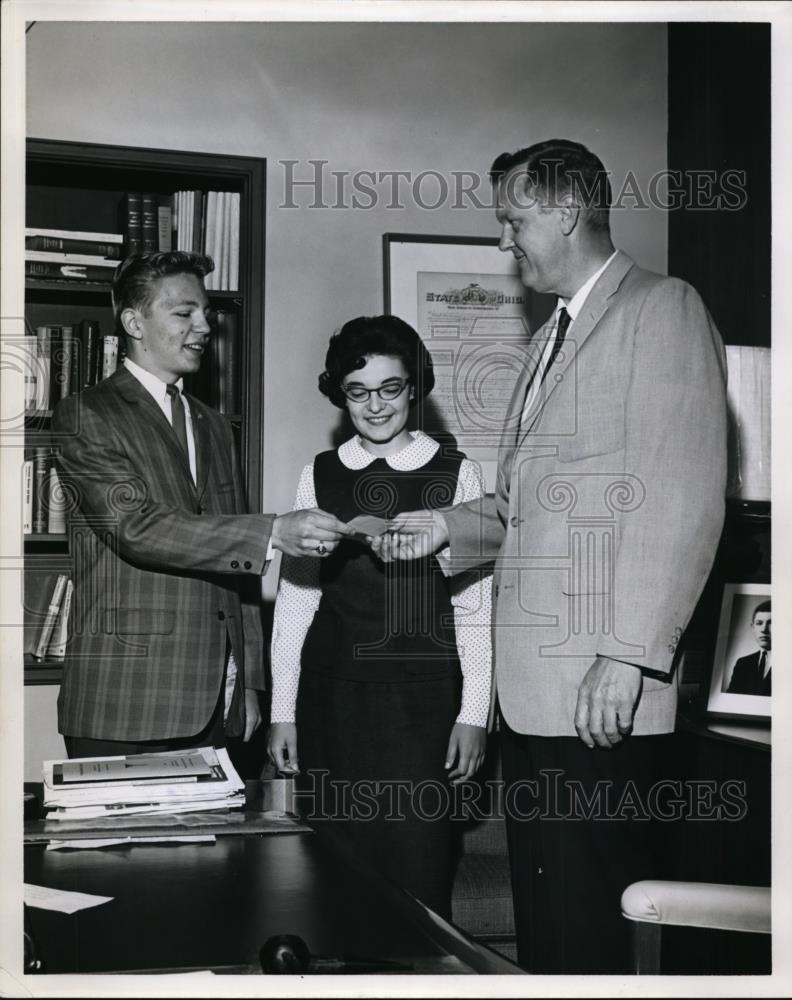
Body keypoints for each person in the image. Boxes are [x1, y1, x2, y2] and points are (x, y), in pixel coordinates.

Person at [374, 139, 728, 972]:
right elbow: (522, 511)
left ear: (567, 212)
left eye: (513, 220)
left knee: (595, 928)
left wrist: (629, 654)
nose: (505, 242)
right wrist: (445, 528)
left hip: (599, 688)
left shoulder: (663, 310)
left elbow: (682, 494)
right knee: (551, 926)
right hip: (537, 697)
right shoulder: (549, 341)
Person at [52, 251, 349, 759]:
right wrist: (274, 531)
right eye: (183, 312)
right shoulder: (86, 413)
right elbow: (136, 528)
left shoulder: (213, 424)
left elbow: (239, 573)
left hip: (217, 705)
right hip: (123, 702)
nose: (204, 325)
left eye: (206, 312)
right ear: (133, 322)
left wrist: (250, 684)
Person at [267, 315, 492, 918]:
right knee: (332, 879)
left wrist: (474, 714)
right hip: (332, 700)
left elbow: (474, 605)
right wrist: (282, 712)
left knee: (417, 873)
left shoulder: (456, 472)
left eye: (390, 387)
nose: (375, 404)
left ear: (414, 387)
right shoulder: (319, 473)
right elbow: (296, 599)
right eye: (358, 391)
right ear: (341, 394)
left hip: (421, 706)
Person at [727, 600, 771, 695]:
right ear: (753, 627)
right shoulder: (742, 663)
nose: (764, 629)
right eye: (759, 623)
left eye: (771, 623)